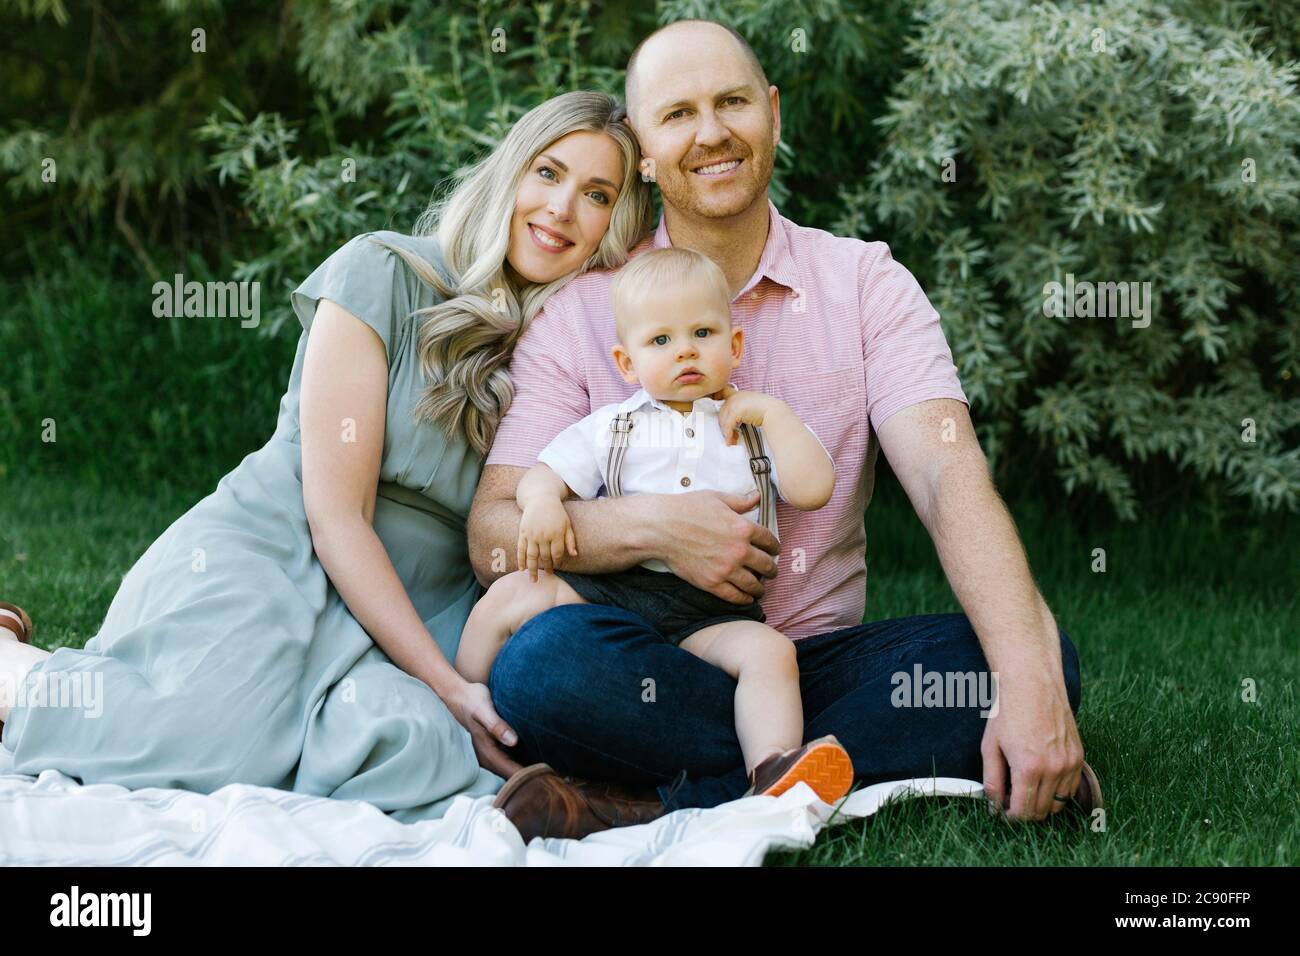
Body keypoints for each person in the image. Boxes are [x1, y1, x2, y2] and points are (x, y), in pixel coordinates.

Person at [469, 20, 1103, 841]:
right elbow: (493, 529)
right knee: (543, 663)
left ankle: (640, 803)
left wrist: (1030, 684)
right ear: (646, 154)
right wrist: (651, 529)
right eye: (678, 114)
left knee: (1017, 661)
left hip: (806, 665)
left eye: (732, 102)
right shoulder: (584, 312)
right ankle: (806, 777)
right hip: (643, 657)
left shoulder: (865, 284)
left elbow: (950, 482)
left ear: (772, 112)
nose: (712, 132)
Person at [0, 90, 655, 823]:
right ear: (510, 174)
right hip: (286, 550)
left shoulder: (572, 349)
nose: (562, 207)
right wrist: (445, 683)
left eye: (596, 194)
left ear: (615, 224)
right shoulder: (382, 273)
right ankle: (13, 667)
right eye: (548, 172)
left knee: (410, 750)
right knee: (214, 741)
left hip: (427, 601)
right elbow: (336, 515)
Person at [454, 247, 854, 805]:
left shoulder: (754, 426)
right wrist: (544, 504)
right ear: (627, 363)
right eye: (661, 341)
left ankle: (773, 773)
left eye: (703, 333)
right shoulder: (614, 426)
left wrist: (779, 418)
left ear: (734, 347)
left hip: (711, 609)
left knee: (770, 654)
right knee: (513, 592)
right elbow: (544, 474)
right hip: (616, 590)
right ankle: (461, 704)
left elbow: (814, 490)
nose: (685, 350)